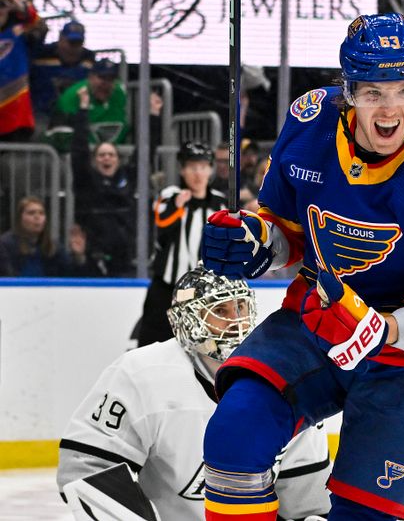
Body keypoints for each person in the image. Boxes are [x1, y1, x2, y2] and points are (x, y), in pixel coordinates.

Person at [200, 12, 404, 520]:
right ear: (348, 91)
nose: (390, 109)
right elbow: (286, 228)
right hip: (317, 318)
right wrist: (258, 240)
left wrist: (380, 329)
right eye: (374, 92)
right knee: (234, 434)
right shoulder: (310, 122)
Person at [57, 265, 331, 521]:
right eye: (220, 311)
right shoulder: (141, 374)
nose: (236, 321)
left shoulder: (285, 376)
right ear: (187, 320)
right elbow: (87, 468)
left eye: (240, 307)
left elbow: (306, 500)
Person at [137, 141, 227, 347]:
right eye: (192, 167)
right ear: (182, 170)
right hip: (166, 287)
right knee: (150, 345)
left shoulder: (219, 204)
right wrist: (177, 208)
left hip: (203, 290)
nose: (198, 173)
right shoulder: (170, 195)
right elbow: (161, 226)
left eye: (203, 167)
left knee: (202, 348)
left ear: (210, 170)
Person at [69, 85, 137, 277]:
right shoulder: (87, 182)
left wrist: (153, 117)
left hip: (123, 260)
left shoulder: (126, 180)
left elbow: (144, 155)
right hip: (91, 257)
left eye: (111, 154)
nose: (106, 158)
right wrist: (83, 109)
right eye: (101, 155)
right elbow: (79, 152)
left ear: (117, 159)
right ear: (94, 160)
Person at [0, 195, 97, 277]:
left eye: (41, 213)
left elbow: (71, 275)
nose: (37, 217)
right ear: (20, 218)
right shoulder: (5, 244)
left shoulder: (54, 246)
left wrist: (78, 256)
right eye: (31, 213)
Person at [29, 20, 95, 129]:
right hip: (42, 113)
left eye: (78, 43)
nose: (73, 48)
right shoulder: (42, 54)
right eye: (70, 42)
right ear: (60, 39)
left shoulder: (89, 59)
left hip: (75, 113)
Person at [52, 58, 129, 145]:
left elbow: (123, 127)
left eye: (111, 79)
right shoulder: (72, 97)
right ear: (90, 78)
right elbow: (61, 137)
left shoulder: (119, 93)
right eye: (102, 78)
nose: (106, 84)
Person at [0, 0, 38, 142]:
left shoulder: (20, 32)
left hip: (17, 118)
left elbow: (38, 26)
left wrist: (20, 6)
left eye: (2, 5)